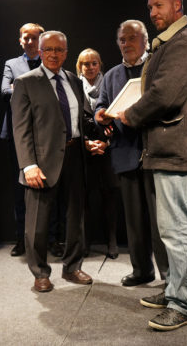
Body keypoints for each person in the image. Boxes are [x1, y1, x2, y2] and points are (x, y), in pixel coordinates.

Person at [116, 0, 187, 331]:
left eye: (158, 6)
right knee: (171, 227)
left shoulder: (184, 42)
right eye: (150, 7)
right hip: (169, 147)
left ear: (177, 5)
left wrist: (129, 115)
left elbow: (164, 96)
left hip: (177, 148)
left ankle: (183, 304)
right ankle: (174, 289)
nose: (153, 12)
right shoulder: (174, 42)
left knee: (177, 229)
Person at [11, 30, 101, 292]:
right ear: (40, 51)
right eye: (48, 49)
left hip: (75, 156)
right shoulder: (26, 82)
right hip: (41, 161)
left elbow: (79, 120)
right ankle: (40, 273)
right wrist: (28, 165)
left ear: (66, 53)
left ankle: (72, 268)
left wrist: (89, 139)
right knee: (37, 223)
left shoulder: (74, 80)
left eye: (58, 50)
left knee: (76, 218)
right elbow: (21, 128)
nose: (53, 54)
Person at [95, 20, 168, 286]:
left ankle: (168, 275)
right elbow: (101, 105)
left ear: (145, 41)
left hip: (156, 151)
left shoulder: (158, 67)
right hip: (124, 153)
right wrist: (100, 115)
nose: (127, 44)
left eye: (132, 38)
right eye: (122, 40)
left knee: (161, 222)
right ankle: (142, 270)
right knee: (134, 220)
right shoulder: (112, 75)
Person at [1, 23, 64, 258]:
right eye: (25, 38)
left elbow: (57, 94)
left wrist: (19, 86)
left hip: (49, 135)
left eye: (34, 37)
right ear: (20, 40)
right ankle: (21, 239)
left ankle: (52, 239)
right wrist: (26, 88)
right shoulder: (12, 64)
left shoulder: (50, 63)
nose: (29, 41)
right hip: (19, 134)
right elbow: (4, 91)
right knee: (21, 190)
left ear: (42, 40)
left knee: (52, 186)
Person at [76, 48, 119, 259]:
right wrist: (85, 142)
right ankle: (85, 242)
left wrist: (106, 142)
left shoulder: (110, 84)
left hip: (108, 148)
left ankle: (112, 241)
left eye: (94, 63)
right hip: (84, 150)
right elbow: (70, 119)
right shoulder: (74, 86)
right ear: (80, 67)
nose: (90, 67)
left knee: (109, 194)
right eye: (86, 64)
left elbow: (119, 113)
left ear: (100, 65)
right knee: (84, 197)